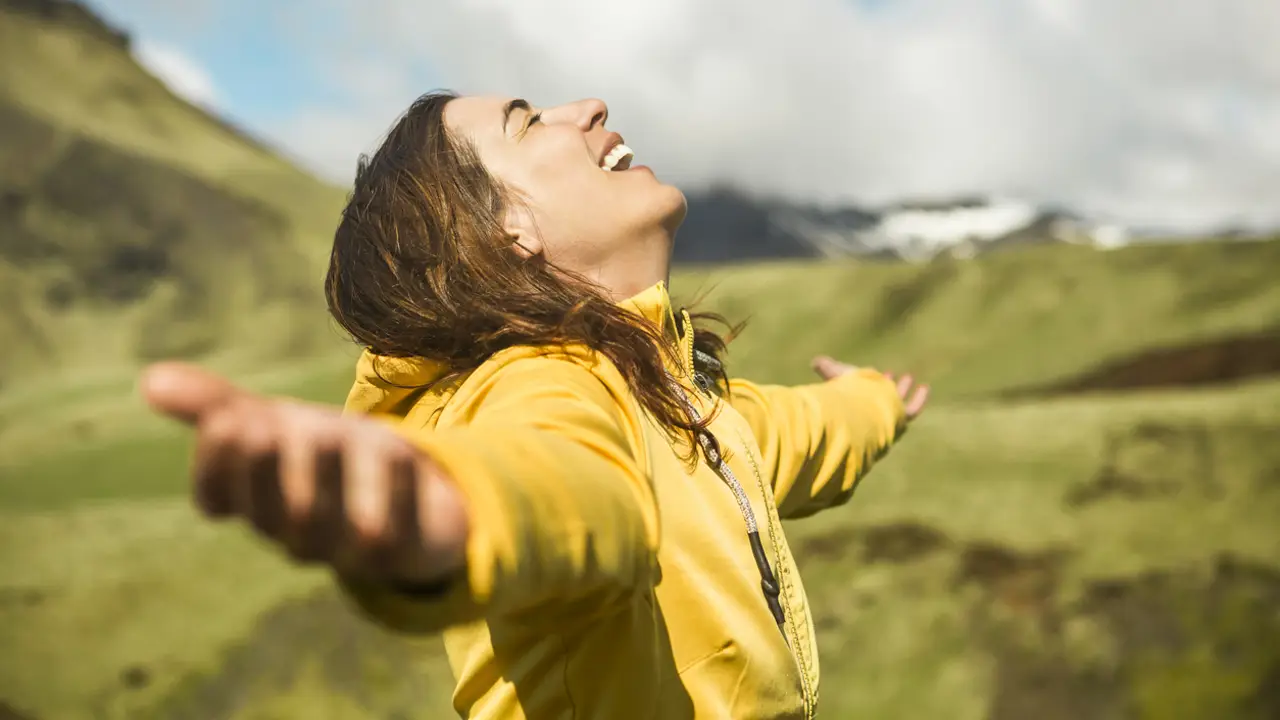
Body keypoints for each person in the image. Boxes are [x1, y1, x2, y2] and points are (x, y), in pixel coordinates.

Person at [142, 92, 929, 720]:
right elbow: (556, 482)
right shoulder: (544, 382)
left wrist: (873, 400)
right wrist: (450, 513)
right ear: (504, 229)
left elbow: (791, 434)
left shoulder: (672, 397)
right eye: (526, 122)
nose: (588, 107)